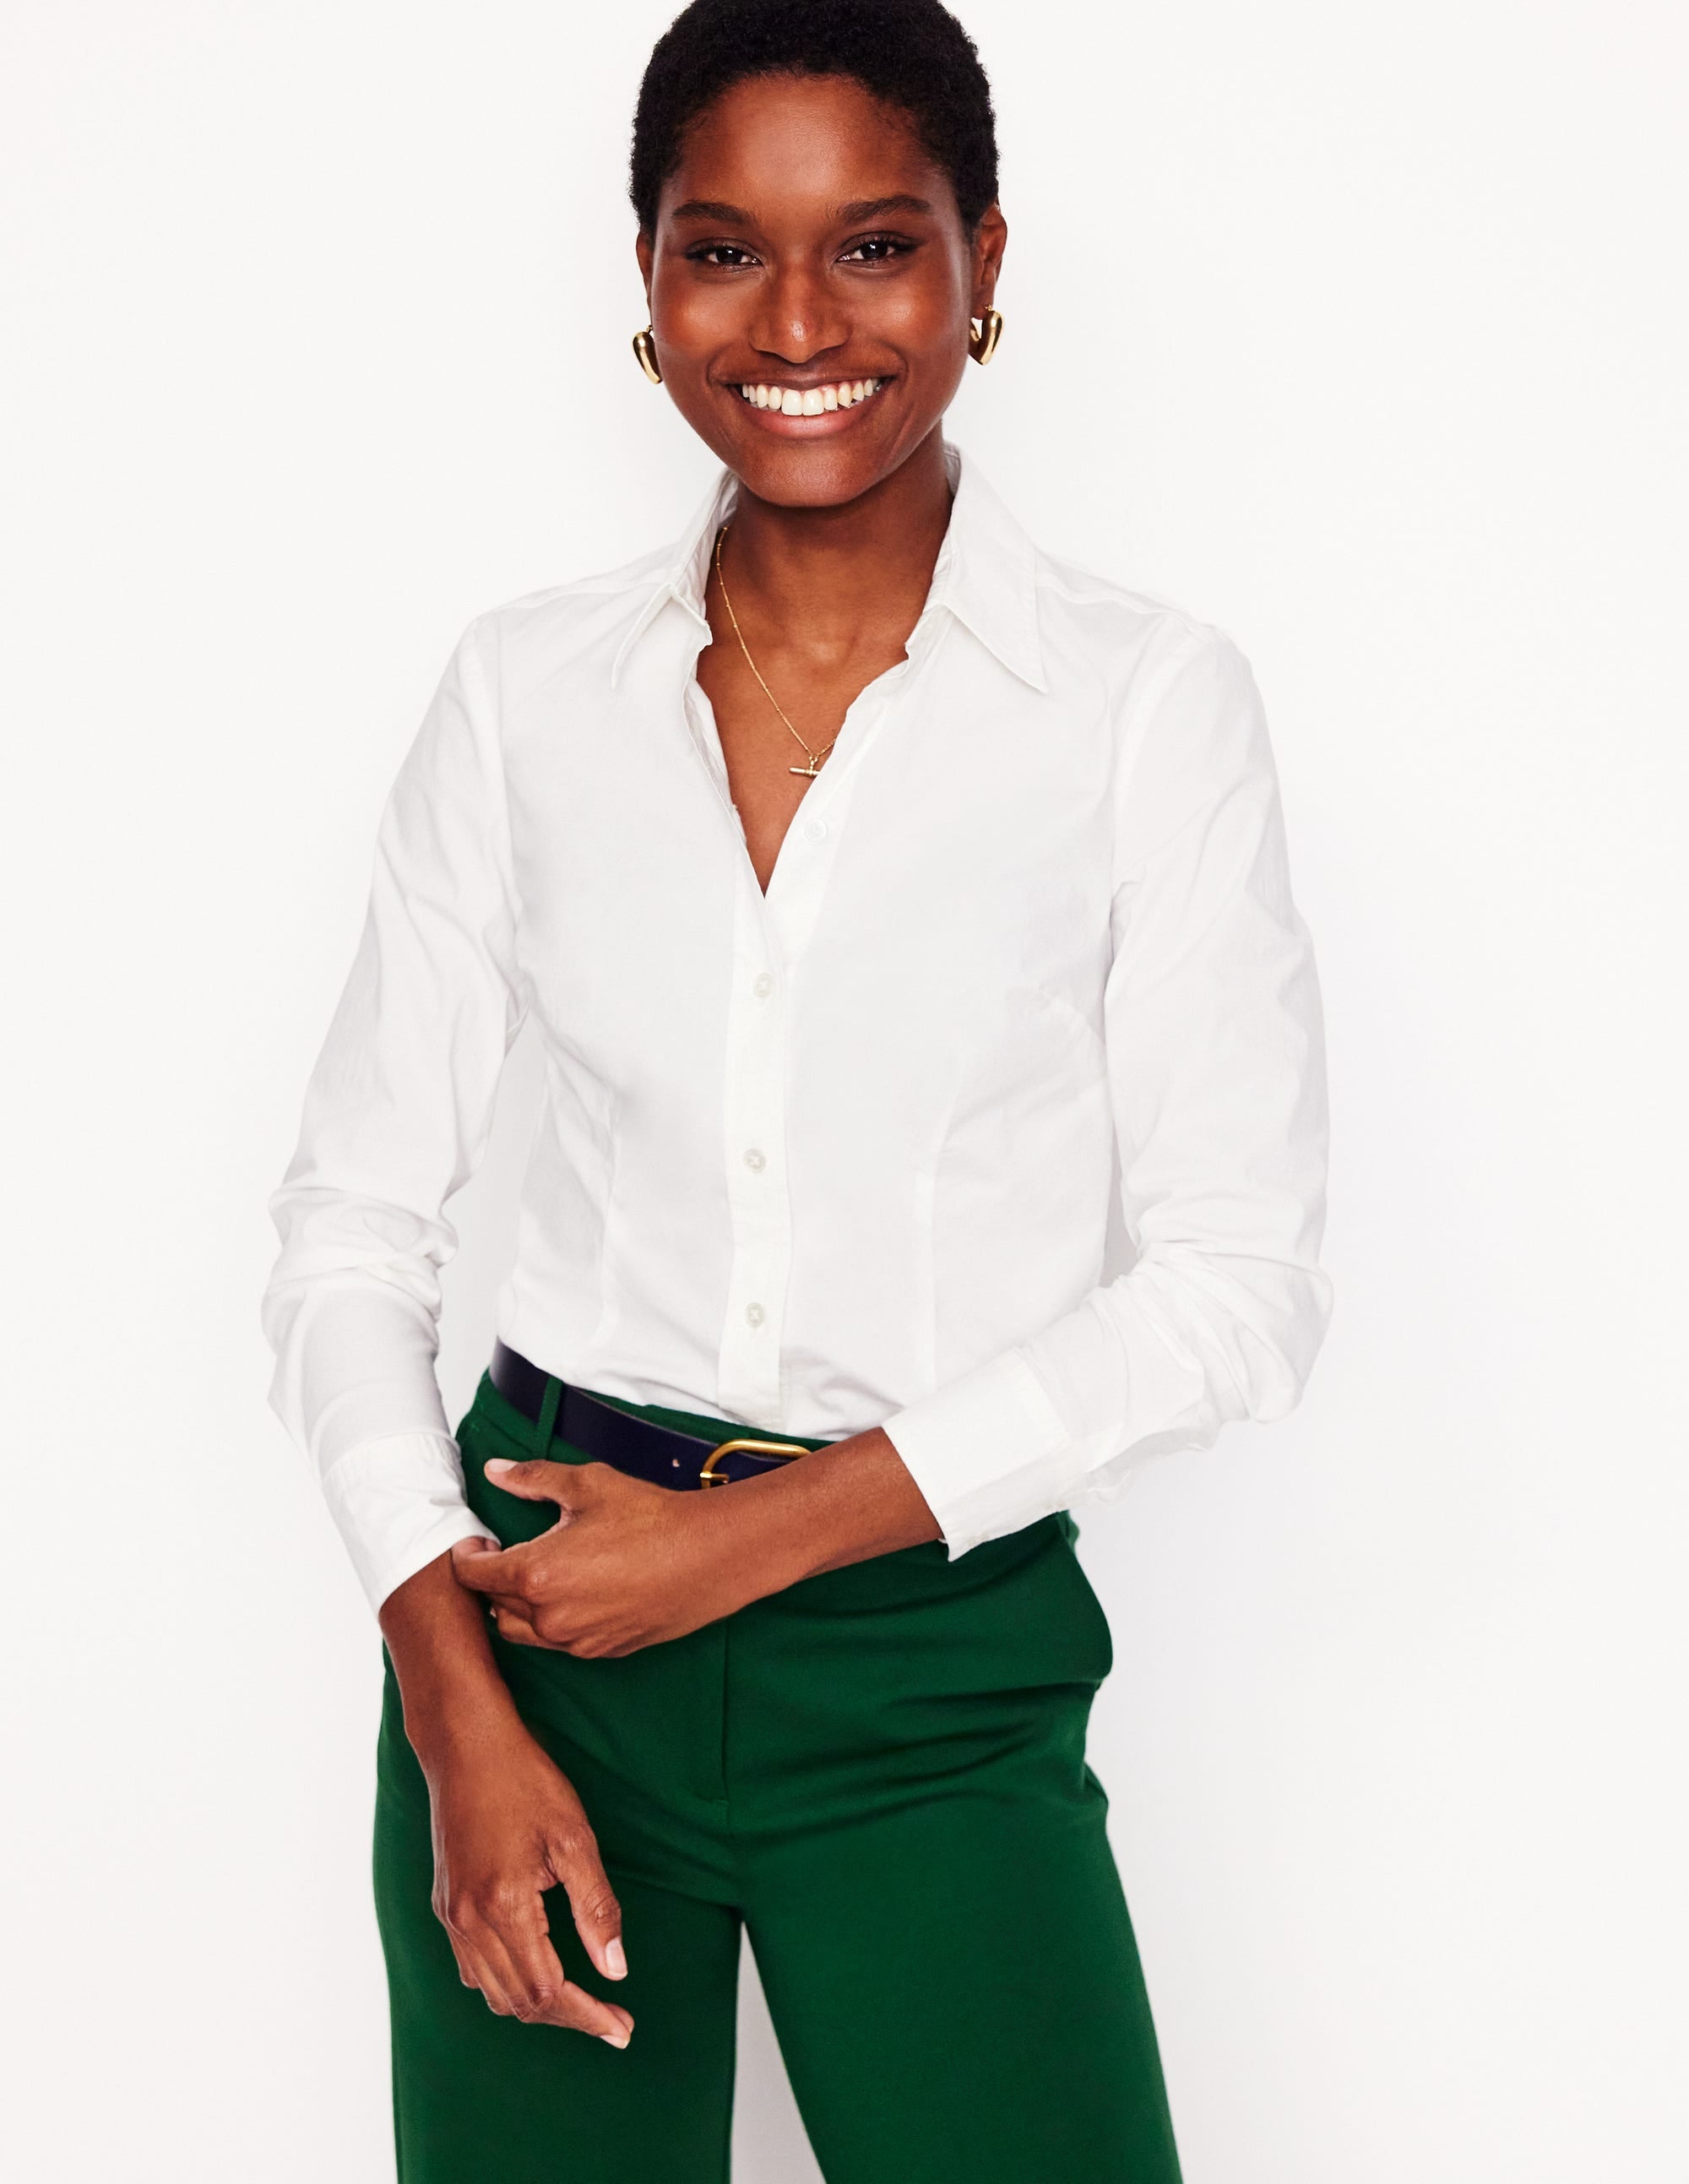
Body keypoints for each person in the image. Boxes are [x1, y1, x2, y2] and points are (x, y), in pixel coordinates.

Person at [260, 2, 1333, 2177]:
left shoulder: (1144, 708)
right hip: (542, 1626)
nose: (799, 323)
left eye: (877, 246)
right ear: (645, 289)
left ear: (985, 269)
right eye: (720, 248)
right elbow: (350, 1233)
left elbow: (1238, 1287)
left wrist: (746, 1547)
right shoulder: (520, 696)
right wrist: (452, 1700)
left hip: (927, 1661)